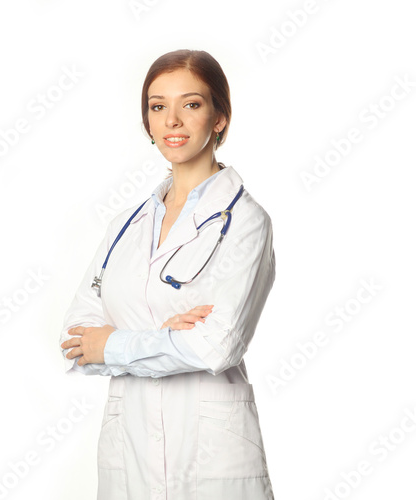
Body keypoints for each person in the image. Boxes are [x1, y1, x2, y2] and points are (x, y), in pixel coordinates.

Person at [59, 49, 276, 500]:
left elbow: (217, 345)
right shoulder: (126, 224)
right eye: (158, 107)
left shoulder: (246, 221)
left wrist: (115, 343)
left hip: (213, 455)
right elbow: (77, 339)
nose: (172, 121)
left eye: (191, 104)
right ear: (148, 121)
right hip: (129, 451)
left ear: (219, 118)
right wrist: (163, 337)